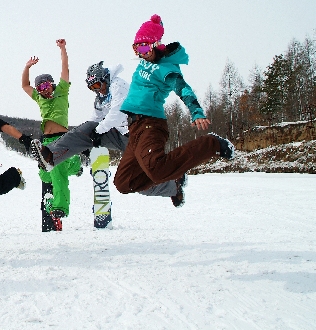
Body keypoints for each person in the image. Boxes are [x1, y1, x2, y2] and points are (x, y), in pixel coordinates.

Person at [29, 58, 183, 205]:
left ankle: (173, 186)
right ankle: (50, 156)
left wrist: (98, 131)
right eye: (92, 88)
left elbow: (117, 113)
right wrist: (88, 143)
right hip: (121, 135)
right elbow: (94, 120)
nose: (97, 90)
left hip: (141, 137)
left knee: (132, 182)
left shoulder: (119, 86)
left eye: (97, 86)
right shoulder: (100, 97)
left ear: (105, 79)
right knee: (87, 129)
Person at [113, 14, 234, 195]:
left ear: (156, 45)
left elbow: (183, 89)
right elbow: (155, 31)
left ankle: (212, 144)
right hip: (134, 128)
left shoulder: (167, 69)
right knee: (124, 183)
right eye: (136, 49)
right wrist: (156, 26)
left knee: (157, 169)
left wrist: (196, 112)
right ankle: (175, 176)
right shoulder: (146, 58)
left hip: (150, 124)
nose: (141, 54)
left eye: (145, 48)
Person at [21, 39, 81, 230]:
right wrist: (27, 67)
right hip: (47, 141)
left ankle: (60, 207)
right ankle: (75, 165)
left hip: (64, 139)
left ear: (53, 85)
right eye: (40, 88)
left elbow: (65, 69)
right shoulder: (40, 99)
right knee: (45, 174)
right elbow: (24, 85)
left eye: (47, 86)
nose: (44, 91)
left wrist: (63, 49)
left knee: (56, 172)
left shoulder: (62, 92)